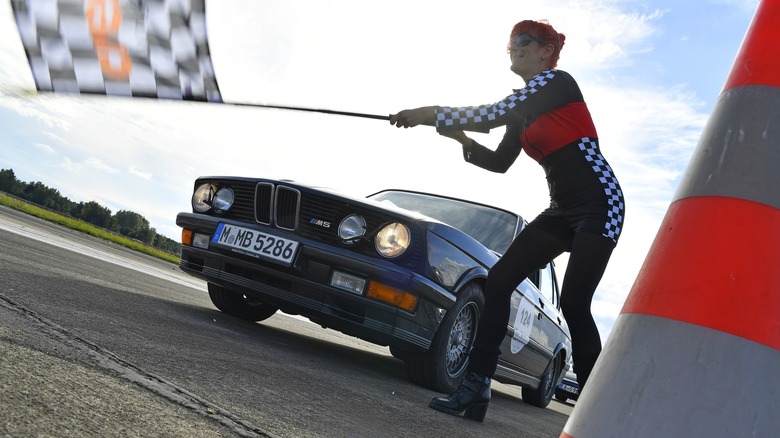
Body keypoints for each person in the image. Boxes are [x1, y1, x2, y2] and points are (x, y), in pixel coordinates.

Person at [389, 19, 624, 422]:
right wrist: (460, 139)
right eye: (511, 42)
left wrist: (426, 113)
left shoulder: (556, 83)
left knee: (574, 303)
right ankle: (476, 385)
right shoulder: (525, 110)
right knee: (498, 281)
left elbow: (490, 114)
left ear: (546, 51)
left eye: (523, 41)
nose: (513, 47)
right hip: (560, 210)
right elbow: (498, 163)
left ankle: (598, 414)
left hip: (599, 203)